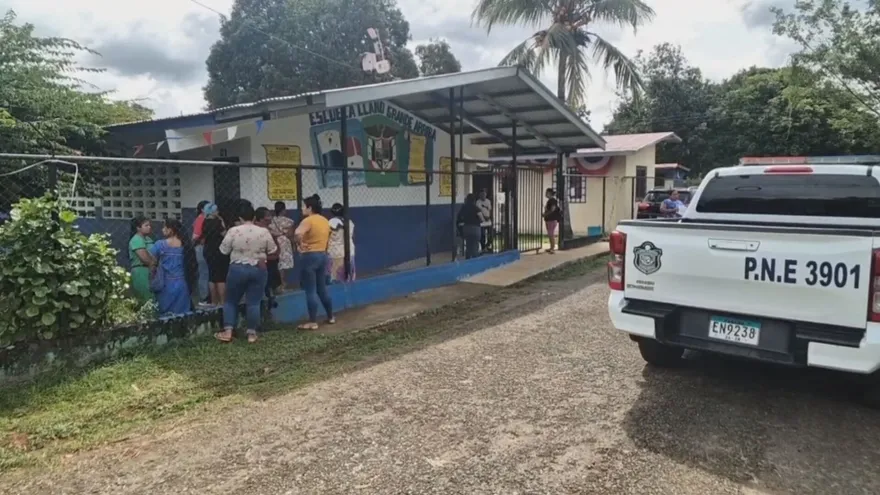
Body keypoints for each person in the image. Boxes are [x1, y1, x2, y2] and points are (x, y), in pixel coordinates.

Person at [215, 201, 277, 344]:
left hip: (237, 268)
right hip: (258, 268)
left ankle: (228, 331)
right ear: (254, 217)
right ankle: (251, 334)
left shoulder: (233, 231)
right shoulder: (263, 231)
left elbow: (223, 250)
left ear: (240, 218)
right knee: (254, 302)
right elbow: (273, 249)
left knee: (230, 301)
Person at [294, 194, 334, 330]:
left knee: (310, 290)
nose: (302, 209)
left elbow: (297, 233)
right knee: (322, 289)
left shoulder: (308, 220)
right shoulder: (324, 220)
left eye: (303, 206)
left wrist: (300, 243)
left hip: (309, 256)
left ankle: (312, 321)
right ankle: (330, 316)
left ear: (309, 208)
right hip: (322, 255)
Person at [148, 218, 198, 316]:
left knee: (165, 315)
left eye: (164, 227)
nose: (162, 229)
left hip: (165, 284)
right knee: (182, 315)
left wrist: (152, 276)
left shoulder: (160, 245)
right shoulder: (186, 245)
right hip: (182, 284)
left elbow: (152, 263)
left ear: (170, 230)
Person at [202, 203, 229, 308]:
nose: (218, 212)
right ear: (213, 212)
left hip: (208, 250)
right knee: (221, 277)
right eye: (216, 210)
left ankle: (214, 301)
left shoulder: (205, 222)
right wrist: (222, 223)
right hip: (218, 251)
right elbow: (225, 235)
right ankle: (222, 302)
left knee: (212, 277)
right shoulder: (217, 222)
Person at [269, 201, 296, 290]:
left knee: (277, 263)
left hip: (274, 241)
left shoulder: (271, 220)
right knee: (283, 264)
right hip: (284, 242)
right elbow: (290, 235)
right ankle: (282, 282)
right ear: (283, 210)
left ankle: (278, 283)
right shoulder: (288, 221)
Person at [256, 206, 282, 296]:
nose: (271, 217)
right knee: (269, 284)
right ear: (261, 219)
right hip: (268, 259)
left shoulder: (268, 229)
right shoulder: (262, 230)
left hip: (272, 258)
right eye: (268, 216)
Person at [128, 216, 155, 304]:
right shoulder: (136, 239)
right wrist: (153, 262)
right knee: (145, 298)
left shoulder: (148, 239)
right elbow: (145, 259)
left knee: (153, 297)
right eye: (146, 225)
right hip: (141, 270)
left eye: (149, 225)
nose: (149, 227)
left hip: (151, 270)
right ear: (138, 228)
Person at [327, 203, 355, 283]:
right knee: (349, 277)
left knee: (336, 278)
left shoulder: (330, 222)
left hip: (335, 252)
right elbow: (352, 235)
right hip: (349, 251)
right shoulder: (349, 222)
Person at [192, 200, 210, 305]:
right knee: (204, 272)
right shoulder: (201, 219)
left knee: (206, 272)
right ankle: (204, 297)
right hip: (201, 247)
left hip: (206, 247)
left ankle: (207, 296)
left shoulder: (208, 218)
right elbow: (195, 237)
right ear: (202, 209)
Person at [457, 193, 483, 259]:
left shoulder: (464, 207)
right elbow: (481, 218)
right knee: (475, 246)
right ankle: (475, 260)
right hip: (475, 229)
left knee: (468, 246)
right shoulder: (476, 208)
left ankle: (467, 260)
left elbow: (459, 217)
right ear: (474, 200)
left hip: (466, 228)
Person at [543, 188, 562, 254]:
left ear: (549, 193)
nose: (545, 194)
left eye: (546, 192)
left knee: (551, 234)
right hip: (549, 219)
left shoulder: (552, 200)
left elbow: (552, 209)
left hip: (552, 220)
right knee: (550, 234)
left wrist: (545, 214)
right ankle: (551, 247)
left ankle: (552, 248)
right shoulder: (550, 200)